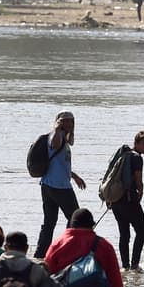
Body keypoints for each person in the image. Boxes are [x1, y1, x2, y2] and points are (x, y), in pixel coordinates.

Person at [34, 111, 86, 258]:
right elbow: (55, 146)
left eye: (71, 121)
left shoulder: (63, 137)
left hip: (49, 184)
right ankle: (69, 249)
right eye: (66, 121)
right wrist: (57, 129)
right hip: (59, 187)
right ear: (59, 122)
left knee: (49, 222)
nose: (69, 124)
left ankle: (40, 254)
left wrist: (75, 176)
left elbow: (61, 163)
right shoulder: (56, 136)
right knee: (77, 219)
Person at [108, 131, 144, 270]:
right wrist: (141, 190)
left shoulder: (123, 155)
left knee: (124, 233)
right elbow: (138, 180)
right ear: (136, 143)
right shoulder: (137, 158)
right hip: (129, 199)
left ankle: (125, 265)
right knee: (141, 231)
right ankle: (134, 264)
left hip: (116, 200)